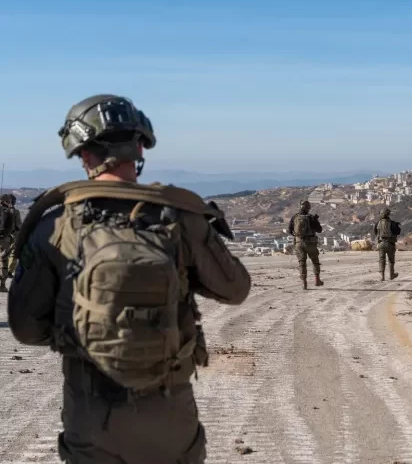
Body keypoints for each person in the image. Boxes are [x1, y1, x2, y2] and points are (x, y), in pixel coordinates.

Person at [7, 94, 252, 464]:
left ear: (83, 154)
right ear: (139, 147)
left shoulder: (54, 225)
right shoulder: (182, 216)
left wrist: (82, 326)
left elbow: (26, 329)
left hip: (91, 416)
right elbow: (236, 290)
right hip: (170, 416)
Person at [289, 200, 324, 289]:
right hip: (311, 243)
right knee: (315, 261)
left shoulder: (295, 217)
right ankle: (317, 280)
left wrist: (299, 237)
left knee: (302, 263)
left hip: (299, 243)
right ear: (308, 208)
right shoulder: (311, 217)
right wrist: (315, 221)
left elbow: (290, 230)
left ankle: (304, 283)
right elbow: (319, 230)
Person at [374, 208, 401, 281]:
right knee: (391, 260)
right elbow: (398, 232)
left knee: (381, 259)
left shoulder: (378, 223)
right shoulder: (393, 223)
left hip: (381, 244)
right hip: (390, 244)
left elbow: (375, 232)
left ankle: (382, 276)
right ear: (388, 214)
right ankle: (391, 275)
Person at [0, 193, 18, 292]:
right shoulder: (11, 211)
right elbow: (12, 226)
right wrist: (7, 236)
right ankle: (2, 285)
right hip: (4, 240)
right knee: (3, 261)